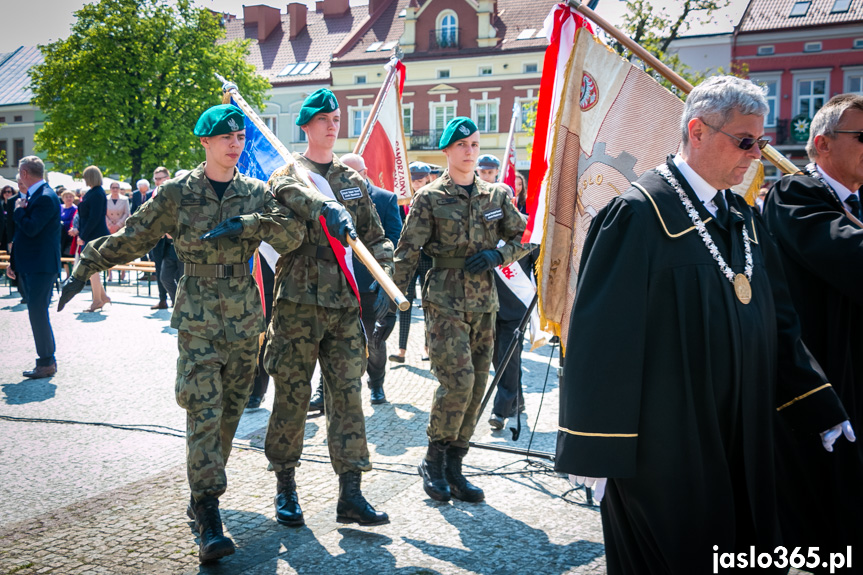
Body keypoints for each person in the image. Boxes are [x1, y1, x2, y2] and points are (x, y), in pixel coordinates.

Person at [555, 76, 854, 574]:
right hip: (669, 446)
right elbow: (602, 343)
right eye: (744, 141)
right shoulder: (637, 214)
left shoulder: (742, 216)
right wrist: (597, 450)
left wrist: (817, 400)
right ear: (697, 131)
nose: (755, 155)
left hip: (746, 436)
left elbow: (778, 322)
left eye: (761, 142)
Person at [57, 104, 350, 564]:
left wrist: (254, 225)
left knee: (229, 415)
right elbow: (135, 235)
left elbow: (292, 234)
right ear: (205, 143)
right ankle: (208, 512)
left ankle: (202, 494)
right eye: (226, 137)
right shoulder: (177, 193)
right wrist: (87, 264)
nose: (236, 143)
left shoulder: (254, 191)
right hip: (197, 322)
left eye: (240, 137)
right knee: (203, 412)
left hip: (244, 321)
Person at [262, 88, 393, 528]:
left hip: (342, 308)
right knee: (293, 397)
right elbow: (295, 198)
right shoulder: (287, 175)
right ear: (306, 125)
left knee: (347, 398)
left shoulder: (353, 181)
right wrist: (327, 210)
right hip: (297, 304)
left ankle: (351, 494)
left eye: (336, 118)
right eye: (323, 119)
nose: (332, 126)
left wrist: (385, 275)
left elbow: (376, 238)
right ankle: (286, 488)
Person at [393, 117, 529, 503]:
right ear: (447, 151)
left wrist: (498, 254)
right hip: (444, 301)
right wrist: (390, 298)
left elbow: (523, 236)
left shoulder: (496, 196)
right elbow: (408, 252)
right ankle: (433, 459)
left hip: (485, 300)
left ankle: (456, 465)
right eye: (462, 145)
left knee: (478, 387)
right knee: (459, 382)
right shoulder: (430, 197)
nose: (469, 152)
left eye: (474, 144)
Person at [762, 93, 863, 569]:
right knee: (824, 519)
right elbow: (849, 259)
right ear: (822, 144)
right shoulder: (794, 194)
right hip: (822, 382)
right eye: (861, 136)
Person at [340, 152, 403, 405]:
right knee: (333, 339)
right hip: (339, 283)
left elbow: (395, 241)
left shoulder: (385, 199)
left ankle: (376, 384)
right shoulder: (330, 198)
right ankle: (324, 390)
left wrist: (386, 280)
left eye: (353, 174)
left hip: (371, 284)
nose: (347, 179)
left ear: (365, 173)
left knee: (374, 341)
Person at [475, 162, 528, 431]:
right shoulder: (483, 232)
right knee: (500, 359)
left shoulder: (525, 230)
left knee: (508, 356)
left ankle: (500, 410)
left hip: (515, 308)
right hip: (487, 306)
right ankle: (516, 399)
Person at [13, 156, 61, 378]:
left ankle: (46, 362)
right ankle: (46, 360)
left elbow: (31, 229)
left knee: (37, 312)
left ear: (24, 173)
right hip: (34, 263)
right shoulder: (39, 195)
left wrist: (18, 211)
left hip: (41, 265)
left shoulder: (44, 197)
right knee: (37, 312)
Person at [389, 161, 433, 365]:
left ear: (427, 178)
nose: (416, 183)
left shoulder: (433, 198)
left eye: (420, 179)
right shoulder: (400, 200)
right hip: (408, 258)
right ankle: (401, 349)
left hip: (427, 257)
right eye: (413, 179)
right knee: (404, 302)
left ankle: (428, 346)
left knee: (428, 303)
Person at [77, 166, 111, 312]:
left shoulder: (97, 193)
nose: (84, 179)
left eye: (85, 177)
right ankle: (102, 297)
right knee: (92, 268)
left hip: (94, 235)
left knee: (91, 268)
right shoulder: (94, 192)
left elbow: (94, 218)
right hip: (93, 234)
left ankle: (97, 300)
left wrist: (83, 236)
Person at [151, 166, 183, 307]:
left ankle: (180, 305)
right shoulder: (155, 193)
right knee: (162, 274)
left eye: (160, 178)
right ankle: (167, 301)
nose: (157, 181)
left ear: (168, 178)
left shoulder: (176, 192)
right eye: (156, 179)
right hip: (160, 241)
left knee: (179, 276)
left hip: (177, 241)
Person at [105, 182, 131, 281]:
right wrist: (110, 225)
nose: (115, 189)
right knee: (109, 251)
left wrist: (118, 224)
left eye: (117, 187)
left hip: (121, 227)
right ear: (110, 188)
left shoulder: (125, 199)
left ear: (119, 189)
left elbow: (126, 213)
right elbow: (103, 213)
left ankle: (123, 272)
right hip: (109, 227)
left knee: (122, 250)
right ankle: (109, 273)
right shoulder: (105, 199)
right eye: (113, 187)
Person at [59, 190, 78, 279]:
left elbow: (74, 222)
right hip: (61, 236)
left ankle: (73, 275)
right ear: (62, 198)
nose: (68, 198)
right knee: (63, 256)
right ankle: (67, 275)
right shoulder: (60, 207)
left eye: (70, 196)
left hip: (71, 236)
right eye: (66, 197)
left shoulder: (75, 209)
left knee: (69, 254)